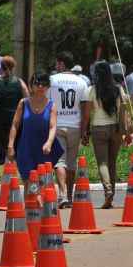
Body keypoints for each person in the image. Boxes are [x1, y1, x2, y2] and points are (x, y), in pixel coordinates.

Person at [83, 62, 132, 209]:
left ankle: (108, 191)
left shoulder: (92, 90)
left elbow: (86, 115)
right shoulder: (118, 89)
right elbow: (124, 110)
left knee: (102, 163)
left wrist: (84, 132)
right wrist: (127, 132)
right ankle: (112, 195)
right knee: (112, 162)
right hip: (116, 129)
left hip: (98, 129)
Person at [7, 72, 63, 192]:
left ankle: (43, 209)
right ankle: (29, 209)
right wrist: (11, 145)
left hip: (44, 150)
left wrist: (49, 142)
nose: (41, 87)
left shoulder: (51, 105)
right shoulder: (23, 103)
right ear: (31, 85)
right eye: (37, 83)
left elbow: (53, 127)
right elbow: (15, 125)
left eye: (44, 84)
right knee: (29, 183)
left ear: (48, 86)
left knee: (43, 183)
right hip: (26, 148)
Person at [49, 52, 90, 208]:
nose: (55, 66)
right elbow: (86, 110)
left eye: (57, 63)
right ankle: (70, 196)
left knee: (59, 161)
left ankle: (62, 194)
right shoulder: (82, 82)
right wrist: (84, 130)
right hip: (75, 125)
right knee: (71, 163)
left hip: (57, 125)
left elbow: (46, 103)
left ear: (61, 64)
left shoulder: (52, 80)